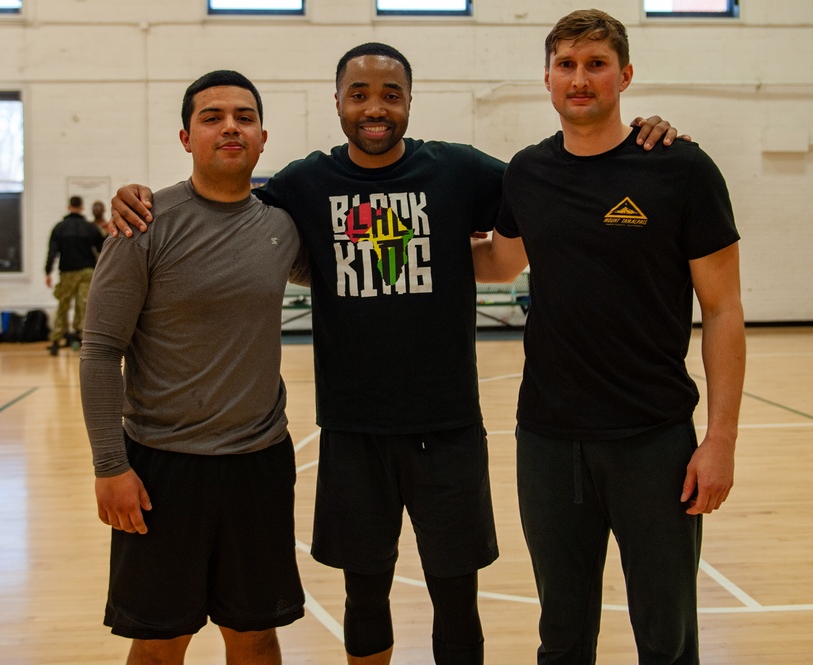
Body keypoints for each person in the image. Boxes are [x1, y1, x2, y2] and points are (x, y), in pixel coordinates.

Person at [110, 43, 681, 665]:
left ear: (410, 101)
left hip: (449, 425)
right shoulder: (306, 183)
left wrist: (633, 138)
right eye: (359, 95)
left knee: (456, 595)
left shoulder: (458, 171)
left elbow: (555, 174)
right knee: (365, 593)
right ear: (337, 103)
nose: (374, 108)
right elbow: (226, 201)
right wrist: (141, 197)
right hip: (355, 429)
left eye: (390, 94)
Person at [472, 10, 745, 664]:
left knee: (666, 632)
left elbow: (724, 308)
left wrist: (720, 441)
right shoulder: (527, 172)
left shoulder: (680, 168)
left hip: (652, 438)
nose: (580, 78)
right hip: (546, 438)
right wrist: (407, 247)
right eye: (565, 64)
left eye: (595, 64)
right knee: (562, 633)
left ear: (624, 75)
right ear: (546, 77)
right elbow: (501, 262)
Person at [79, 70, 308, 665]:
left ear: (261, 138)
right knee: (159, 640)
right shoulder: (142, 224)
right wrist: (110, 465)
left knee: (255, 635)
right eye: (212, 117)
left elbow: (358, 260)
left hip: (257, 465)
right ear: (186, 137)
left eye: (244, 117)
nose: (230, 126)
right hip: (160, 471)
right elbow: (102, 351)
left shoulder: (284, 227)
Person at [44, 195, 104, 355]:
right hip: (87, 271)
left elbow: (52, 252)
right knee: (83, 305)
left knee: (63, 305)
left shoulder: (60, 228)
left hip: (68, 272)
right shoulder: (90, 228)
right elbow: (103, 249)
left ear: (69, 207)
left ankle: (56, 340)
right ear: (82, 207)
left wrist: (47, 271)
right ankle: (82, 338)